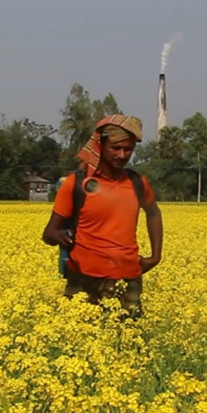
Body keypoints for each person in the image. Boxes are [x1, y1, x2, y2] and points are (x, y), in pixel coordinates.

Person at [41, 114, 163, 318]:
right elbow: (49, 232)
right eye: (115, 148)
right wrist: (60, 237)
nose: (123, 155)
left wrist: (156, 256)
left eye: (128, 149)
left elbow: (154, 214)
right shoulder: (76, 184)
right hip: (82, 278)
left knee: (127, 343)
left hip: (126, 277)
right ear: (100, 146)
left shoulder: (138, 183)